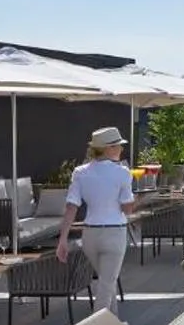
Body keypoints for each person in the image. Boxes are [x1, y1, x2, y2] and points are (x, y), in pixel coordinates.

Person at [56, 126, 140, 314]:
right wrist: (140, 200)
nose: (121, 149)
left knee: (106, 282)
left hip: (90, 235)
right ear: (108, 148)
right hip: (114, 234)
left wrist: (62, 240)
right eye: (118, 146)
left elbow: (71, 207)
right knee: (106, 284)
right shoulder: (123, 172)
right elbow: (127, 209)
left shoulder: (80, 172)